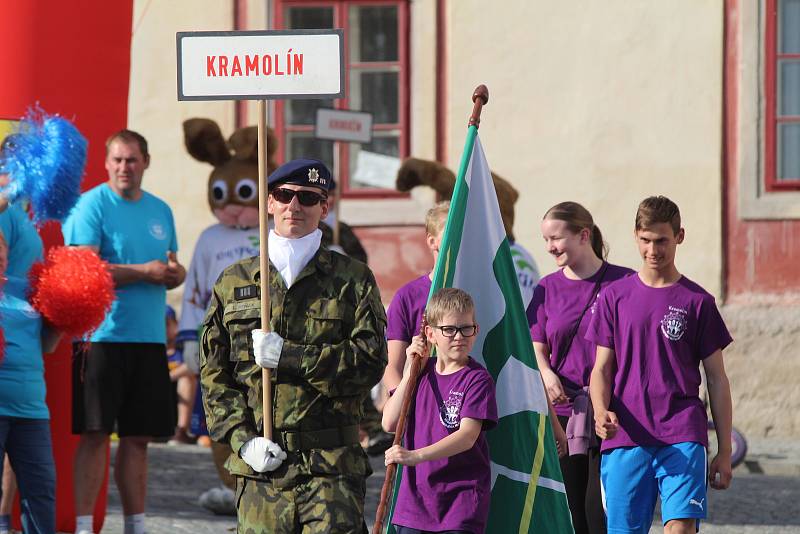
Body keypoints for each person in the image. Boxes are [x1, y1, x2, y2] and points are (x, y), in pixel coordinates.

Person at [200, 158, 388, 532]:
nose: (294, 206)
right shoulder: (235, 282)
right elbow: (214, 377)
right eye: (284, 195)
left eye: (307, 197)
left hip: (330, 469)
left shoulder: (351, 280)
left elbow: (369, 361)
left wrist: (291, 357)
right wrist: (243, 441)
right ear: (269, 203)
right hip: (262, 469)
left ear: (325, 206)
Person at [62, 129, 186, 534]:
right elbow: (84, 270)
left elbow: (167, 264)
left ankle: (136, 525)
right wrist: (143, 272)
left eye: (131, 160)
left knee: (138, 439)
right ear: (106, 163)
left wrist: (173, 274)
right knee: (96, 435)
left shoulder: (160, 210)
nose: (124, 168)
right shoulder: (90, 205)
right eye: (116, 160)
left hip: (149, 339)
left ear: (146, 162)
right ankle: (84, 527)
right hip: (101, 338)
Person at [587, 196, 734, 534]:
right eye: (646, 240)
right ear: (636, 236)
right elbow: (601, 369)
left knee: (681, 529)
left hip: (682, 433)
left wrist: (724, 451)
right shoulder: (614, 298)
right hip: (625, 436)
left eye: (662, 240)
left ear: (679, 236)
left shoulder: (698, 302)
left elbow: (717, 379)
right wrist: (599, 410)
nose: (653, 250)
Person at [526, 202, 633, 534]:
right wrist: (545, 373)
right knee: (570, 507)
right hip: (563, 413)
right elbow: (535, 345)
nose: (549, 247)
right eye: (546, 240)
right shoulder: (546, 287)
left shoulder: (625, 281)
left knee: (599, 507)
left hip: (612, 413)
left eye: (556, 238)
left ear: (583, 235)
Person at [382, 287, 498, 534]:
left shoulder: (477, 379)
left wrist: (414, 456)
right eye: (449, 330)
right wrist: (409, 373)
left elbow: (467, 436)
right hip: (413, 506)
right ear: (430, 334)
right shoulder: (420, 373)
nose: (459, 336)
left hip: (459, 507)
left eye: (467, 328)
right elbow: (389, 423)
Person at [0, 228, 62, 534]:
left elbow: (47, 346)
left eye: (1, 245)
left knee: (41, 493)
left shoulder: (28, 289)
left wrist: (63, 319)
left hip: (32, 410)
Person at [383, 201, 449, 391]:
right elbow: (392, 366)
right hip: (423, 405)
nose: (459, 239)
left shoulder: (477, 290)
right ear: (432, 241)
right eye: (450, 234)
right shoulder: (408, 296)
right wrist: (401, 406)